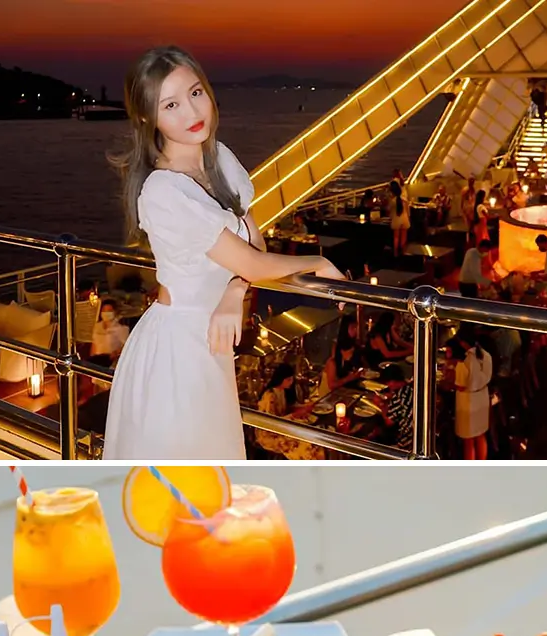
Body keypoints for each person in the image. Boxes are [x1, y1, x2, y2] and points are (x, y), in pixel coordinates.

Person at [102, 45, 345, 460]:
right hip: (177, 347)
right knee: (180, 483)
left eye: (196, 93)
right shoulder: (163, 190)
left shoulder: (219, 160)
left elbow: (254, 247)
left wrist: (234, 291)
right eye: (171, 104)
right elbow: (254, 262)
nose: (191, 112)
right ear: (148, 117)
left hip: (211, 339)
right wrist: (316, 261)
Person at [257, 363, 325, 460]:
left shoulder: (282, 391)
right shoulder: (270, 396)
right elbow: (270, 423)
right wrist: (294, 415)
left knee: (310, 436)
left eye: (292, 379)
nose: (291, 382)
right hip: (270, 433)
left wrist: (305, 406)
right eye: (288, 380)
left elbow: (288, 407)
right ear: (281, 379)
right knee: (302, 444)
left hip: (283, 425)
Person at [454, 328, 492, 460]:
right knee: (480, 435)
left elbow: (460, 385)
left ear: (463, 343)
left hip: (468, 402)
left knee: (469, 441)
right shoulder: (485, 355)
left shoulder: (465, 362)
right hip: (482, 397)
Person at [318, 315, 364, 395]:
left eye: (356, 328)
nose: (355, 331)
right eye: (353, 328)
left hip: (342, 391)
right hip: (327, 396)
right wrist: (350, 378)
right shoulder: (333, 360)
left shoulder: (354, 348)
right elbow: (332, 385)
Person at [374, 363, 414, 451]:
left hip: (407, 443)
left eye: (388, 383)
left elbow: (389, 422)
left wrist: (381, 405)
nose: (388, 386)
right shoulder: (411, 387)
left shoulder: (399, 397)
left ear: (393, 381)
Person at [388, 180, 410, 258]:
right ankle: (403, 253)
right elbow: (408, 211)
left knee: (396, 237)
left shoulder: (393, 201)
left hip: (396, 219)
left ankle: (395, 253)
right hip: (404, 218)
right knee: (404, 237)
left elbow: (390, 211)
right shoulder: (404, 200)